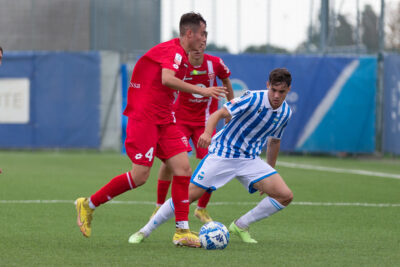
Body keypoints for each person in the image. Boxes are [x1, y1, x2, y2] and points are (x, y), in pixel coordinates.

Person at [75, 12, 227, 248]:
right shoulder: (174, 51)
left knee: (183, 168)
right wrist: (202, 91)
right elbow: (167, 79)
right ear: (190, 34)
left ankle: (182, 231)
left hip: (165, 119)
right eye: (202, 33)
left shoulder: (183, 55)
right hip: (144, 119)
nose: (204, 38)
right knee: (140, 176)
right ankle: (88, 204)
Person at [129, 68, 294, 245]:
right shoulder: (253, 98)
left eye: (281, 92)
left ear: (288, 90)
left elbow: (274, 142)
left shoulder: (285, 113)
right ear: (267, 85)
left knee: (284, 195)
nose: (276, 95)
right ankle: (144, 231)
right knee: (187, 196)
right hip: (223, 153)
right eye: (273, 90)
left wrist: (270, 169)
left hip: (249, 159)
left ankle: (241, 225)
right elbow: (218, 114)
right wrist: (207, 134)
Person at [148, 45, 234, 224]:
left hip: (204, 123)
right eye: (194, 45)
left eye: (202, 44)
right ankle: (158, 206)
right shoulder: (179, 64)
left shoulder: (215, 63)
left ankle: (201, 209)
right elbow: (166, 81)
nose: (197, 48)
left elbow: (226, 81)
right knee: (170, 162)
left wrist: (231, 108)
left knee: (213, 164)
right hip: (179, 120)